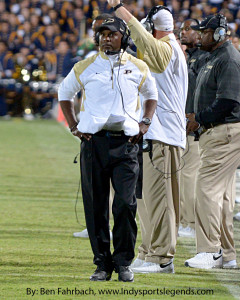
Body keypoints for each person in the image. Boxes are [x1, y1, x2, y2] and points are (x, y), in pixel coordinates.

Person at [58, 16, 158, 282]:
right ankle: (102, 263)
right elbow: (64, 94)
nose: (106, 38)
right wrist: (73, 125)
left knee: (125, 204)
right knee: (96, 207)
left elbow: (151, 95)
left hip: (127, 144)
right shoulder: (85, 66)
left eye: (112, 34)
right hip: (94, 143)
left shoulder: (138, 66)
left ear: (123, 37)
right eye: (102, 34)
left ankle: (124, 261)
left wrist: (145, 122)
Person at [107, 1, 188, 273]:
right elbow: (140, 50)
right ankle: (149, 250)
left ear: (154, 29)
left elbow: (150, 48)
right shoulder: (162, 50)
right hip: (154, 135)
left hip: (162, 137)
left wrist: (120, 9)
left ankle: (162, 257)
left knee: (159, 200)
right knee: (146, 200)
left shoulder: (168, 50)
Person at [185, 14, 240, 269]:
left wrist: (199, 119)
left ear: (218, 34)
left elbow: (228, 101)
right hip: (217, 133)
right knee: (223, 196)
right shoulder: (214, 57)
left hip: (223, 131)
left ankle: (210, 250)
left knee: (206, 189)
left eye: (204, 32)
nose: (200, 36)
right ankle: (227, 254)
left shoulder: (228, 59)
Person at [178, 19, 209, 238]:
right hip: (184, 125)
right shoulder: (191, 58)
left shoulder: (202, 59)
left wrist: (196, 118)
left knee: (189, 176)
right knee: (183, 175)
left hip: (195, 127)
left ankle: (190, 221)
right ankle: (184, 219)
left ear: (199, 34)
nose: (184, 32)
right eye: (182, 29)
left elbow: (202, 94)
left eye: (188, 29)